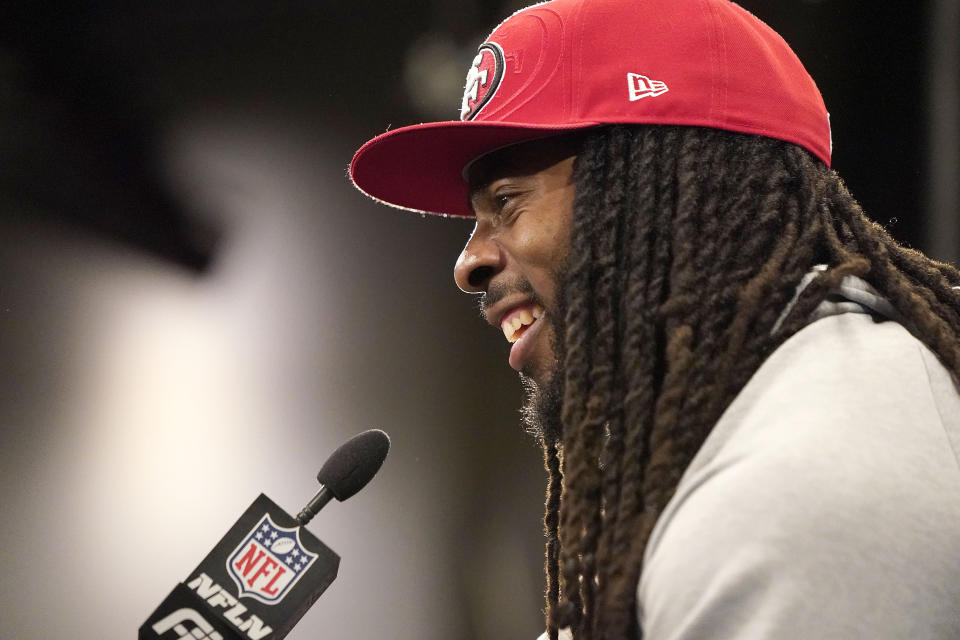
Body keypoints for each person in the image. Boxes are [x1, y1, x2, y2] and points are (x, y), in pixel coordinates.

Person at [350, 0, 960, 638]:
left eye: (507, 201)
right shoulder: (767, 420)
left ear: (664, 199)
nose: (467, 263)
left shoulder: (801, 485)